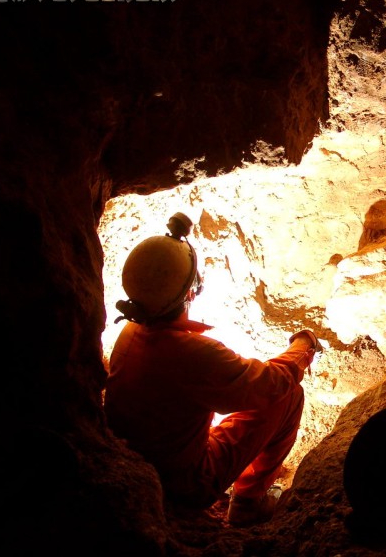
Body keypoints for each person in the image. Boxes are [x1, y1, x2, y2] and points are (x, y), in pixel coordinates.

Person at [103, 212, 321, 527]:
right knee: (288, 396)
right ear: (190, 291)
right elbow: (270, 384)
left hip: (141, 461)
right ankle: (248, 502)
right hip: (183, 484)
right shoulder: (191, 353)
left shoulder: (129, 333)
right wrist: (303, 347)